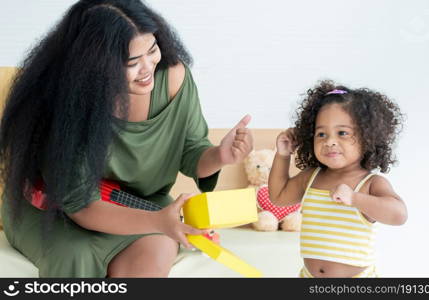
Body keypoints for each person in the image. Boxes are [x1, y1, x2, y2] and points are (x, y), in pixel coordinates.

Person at [0, 0, 253, 277]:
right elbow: (79, 205)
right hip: (56, 211)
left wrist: (220, 155)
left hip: (143, 204)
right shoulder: (68, 102)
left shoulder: (173, 79)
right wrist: (157, 221)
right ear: (95, 66)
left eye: (152, 50)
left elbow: (191, 150)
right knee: (77, 254)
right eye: (132, 62)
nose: (147, 69)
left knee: (155, 250)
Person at [268, 80, 407, 278]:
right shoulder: (311, 176)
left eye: (342, 133)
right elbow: (279, 197)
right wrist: (282, 155)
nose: (330, 141)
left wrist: (355, 198)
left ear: (367, 137)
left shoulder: (369, 183)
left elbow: (399, 215)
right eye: (321, 134)